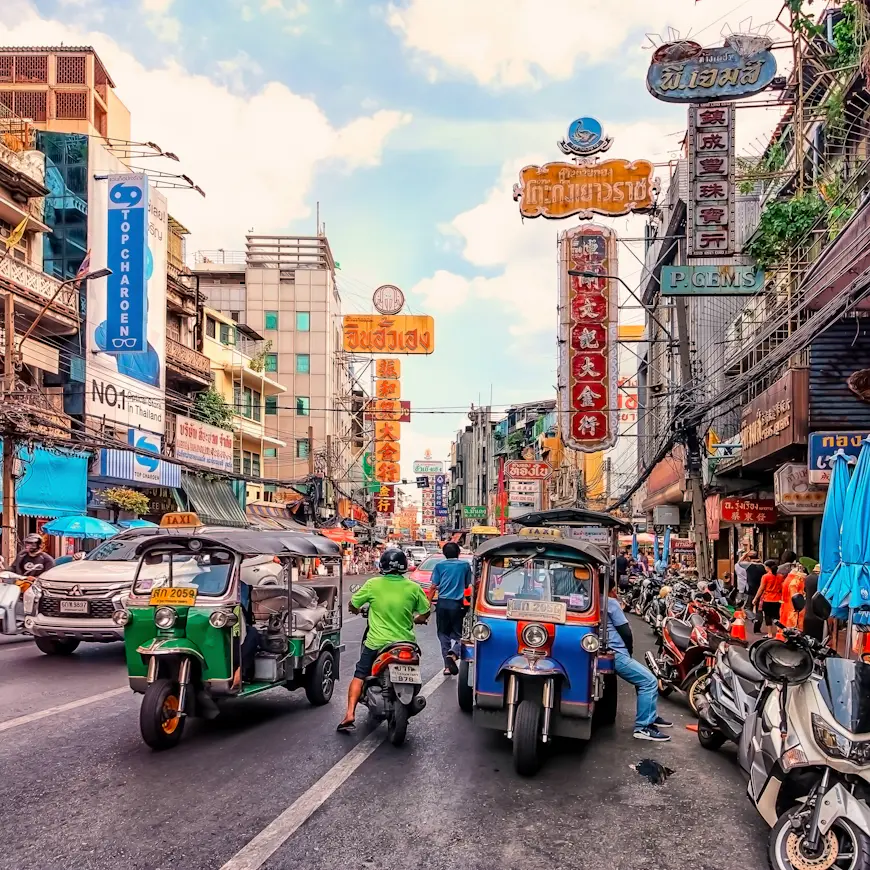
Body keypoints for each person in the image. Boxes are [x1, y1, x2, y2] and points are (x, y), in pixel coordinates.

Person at [337, 548, 430, 732]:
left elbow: (354, 604)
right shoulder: (413, 587)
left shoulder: (373, 584)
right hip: (407, 643)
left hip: (377, 643)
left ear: (383, 566)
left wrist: (355, 610)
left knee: (360, 674)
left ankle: (349, 714)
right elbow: (425, 612)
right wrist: (417, 619)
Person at [606, 579, 672, 742]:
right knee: (649, 681)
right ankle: (643, 727)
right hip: (616, 653)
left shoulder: (593, 601)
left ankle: (651, 715)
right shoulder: (610, 603)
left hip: (610, 651)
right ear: (610, 588)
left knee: (643, 677)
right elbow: (626, 632)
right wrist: (628, 651)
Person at [429, 542, 472, 676]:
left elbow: (433, 586)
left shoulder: (439, 566)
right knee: (461, 635)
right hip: (457, 604)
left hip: (442, 603)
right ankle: (453, 654)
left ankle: (447, 667)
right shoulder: (465, 566)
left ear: (444, 554)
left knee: (443, 634)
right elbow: (467, 585)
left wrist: (427, 605)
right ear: (459, 553)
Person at [753, 559, 783, 639]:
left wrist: (756, 598)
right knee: (777, 616)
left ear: (767, 567)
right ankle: (779, 633)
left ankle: (769, 634)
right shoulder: (780, 576)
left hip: (767, 599)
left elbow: (761, 588)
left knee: (767, 616)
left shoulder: (765, 577)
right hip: (778, 599)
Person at [803, 564, 825, 641]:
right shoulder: (820, 579)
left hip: (808, 612)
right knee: (817, 640)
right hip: (818, 614)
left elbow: (805, 590)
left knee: (807, 639)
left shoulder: (808, 578)